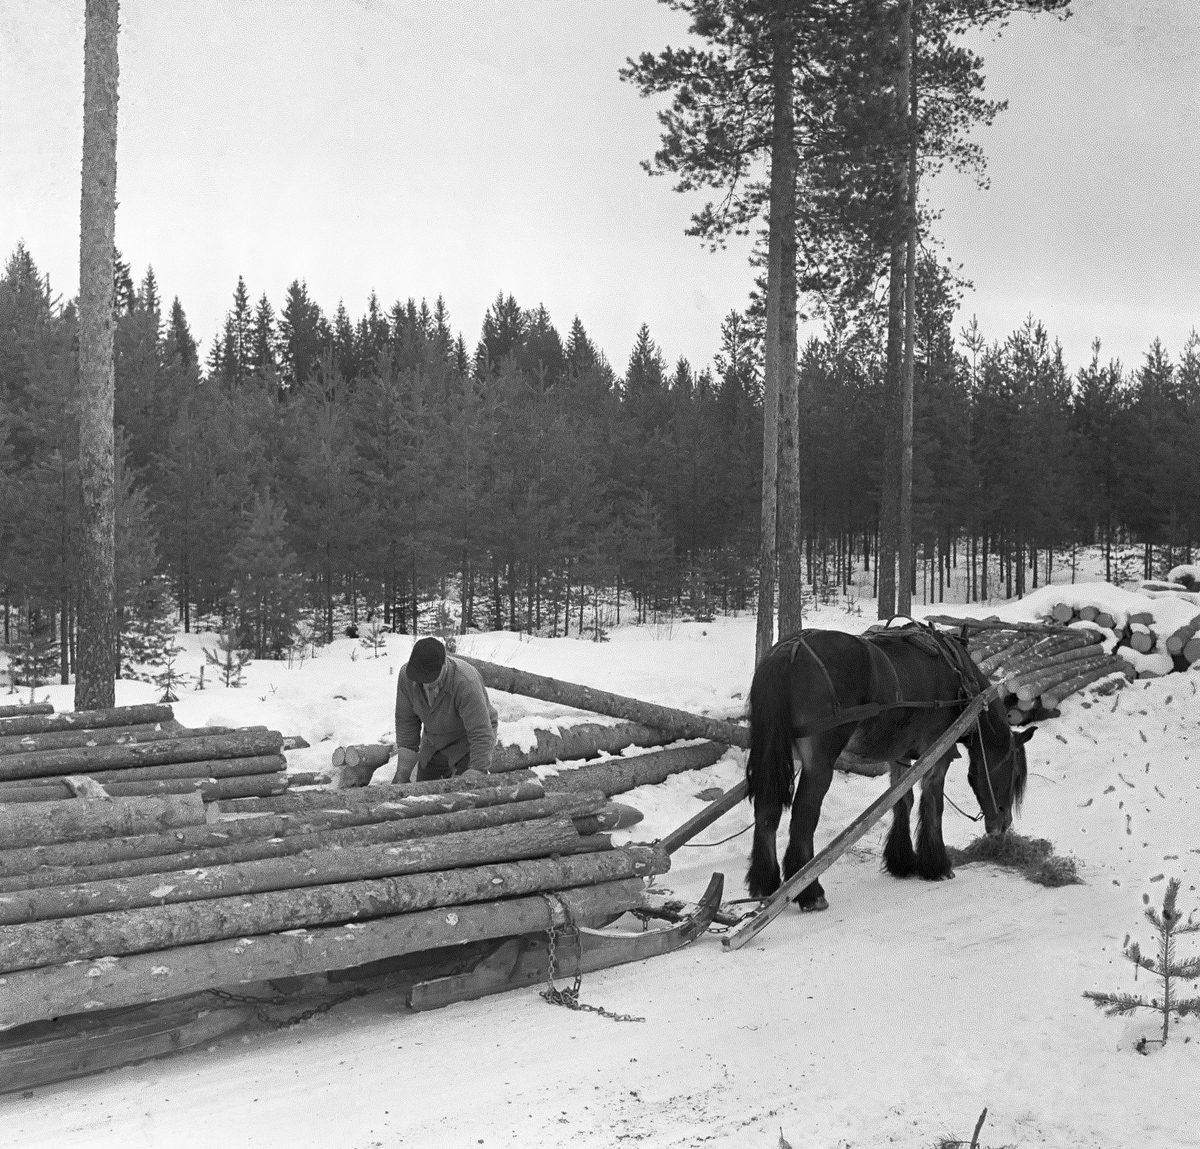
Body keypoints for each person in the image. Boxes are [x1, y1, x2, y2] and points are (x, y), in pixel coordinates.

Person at [393, 637, 498, 782]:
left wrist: (477, 770)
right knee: (424, 792)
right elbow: (406, 724)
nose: (425, 688)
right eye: (421, 682)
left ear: (443, 667)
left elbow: (481, 733)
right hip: (435, 739)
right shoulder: (407, 676)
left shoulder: (466, 682)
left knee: (465, 796)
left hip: (467, 739)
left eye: (430, 684)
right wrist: (402, 774)